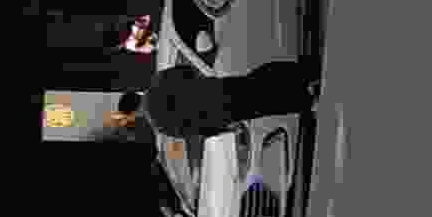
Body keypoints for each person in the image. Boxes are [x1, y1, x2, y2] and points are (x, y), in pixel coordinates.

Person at [122, 58, 316, 144]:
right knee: (260, 81)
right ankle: (304, 74)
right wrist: (202, 85)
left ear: (135, 113)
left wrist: (226, 129)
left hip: (223, 113)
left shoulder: (160, 125)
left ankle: (304, 101)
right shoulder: (159, 80)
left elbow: (196, 132)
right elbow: (188, 71)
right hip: (219, 88)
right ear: (137, 94)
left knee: (264, 105)